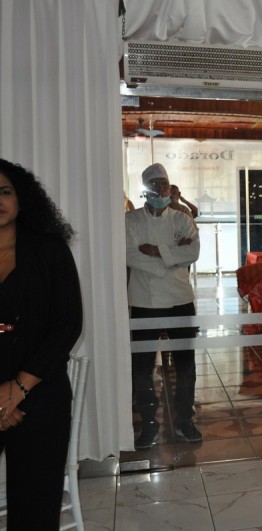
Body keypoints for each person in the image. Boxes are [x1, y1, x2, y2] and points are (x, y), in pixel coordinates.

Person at [0, 158, 83, 529]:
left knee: (35, 508)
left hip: (40, 388)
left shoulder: (49, 249)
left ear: (22, 199)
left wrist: (17, 389)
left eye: (5, 191)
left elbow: (68, 324)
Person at [126, 163, 202, 450]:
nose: (160, 190)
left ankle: (185, 420)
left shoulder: (182, 219)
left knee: (185, 365)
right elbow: (130, 255)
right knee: (143, 367)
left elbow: (193, 251)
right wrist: (171, 260)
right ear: (145, 191)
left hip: (180, 299)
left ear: (170, 188)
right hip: (144, 301)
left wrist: (156, 251)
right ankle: (148, 425)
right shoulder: (130, 220)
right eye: (154, 185)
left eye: (164, 184)